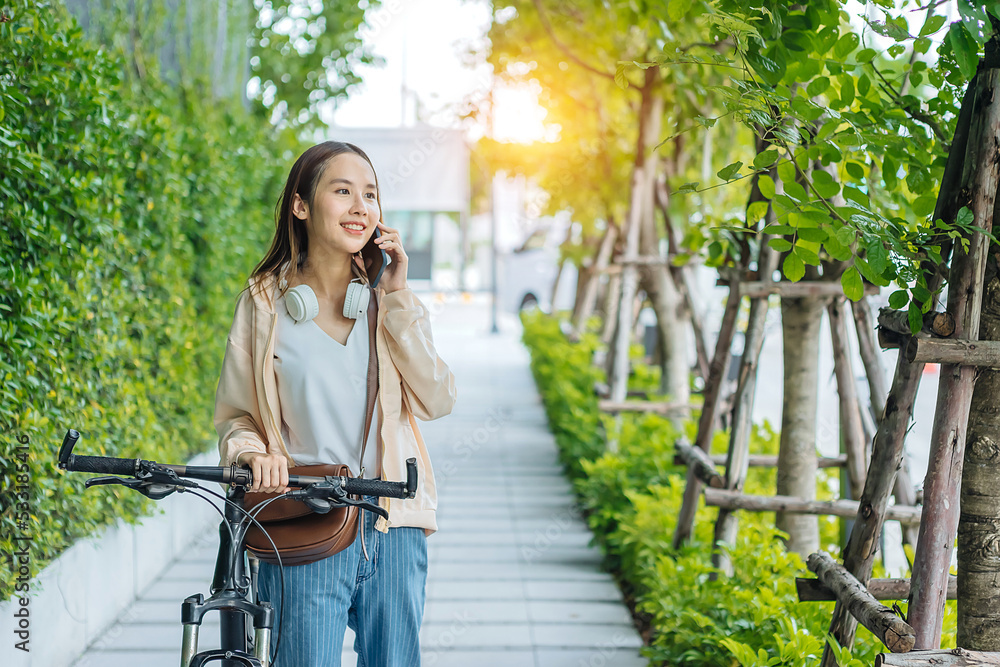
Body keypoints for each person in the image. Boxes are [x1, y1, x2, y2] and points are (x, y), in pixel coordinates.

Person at [212, 141, 456, 667]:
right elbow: (237, 418)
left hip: (393, 523)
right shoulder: (263, 305)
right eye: (342, 191)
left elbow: (438, 398)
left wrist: (396, 298)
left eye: (369, 194)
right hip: (304, 520)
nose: (360, 207)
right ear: (301, 205)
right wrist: (254, 456)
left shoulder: (384, 300)